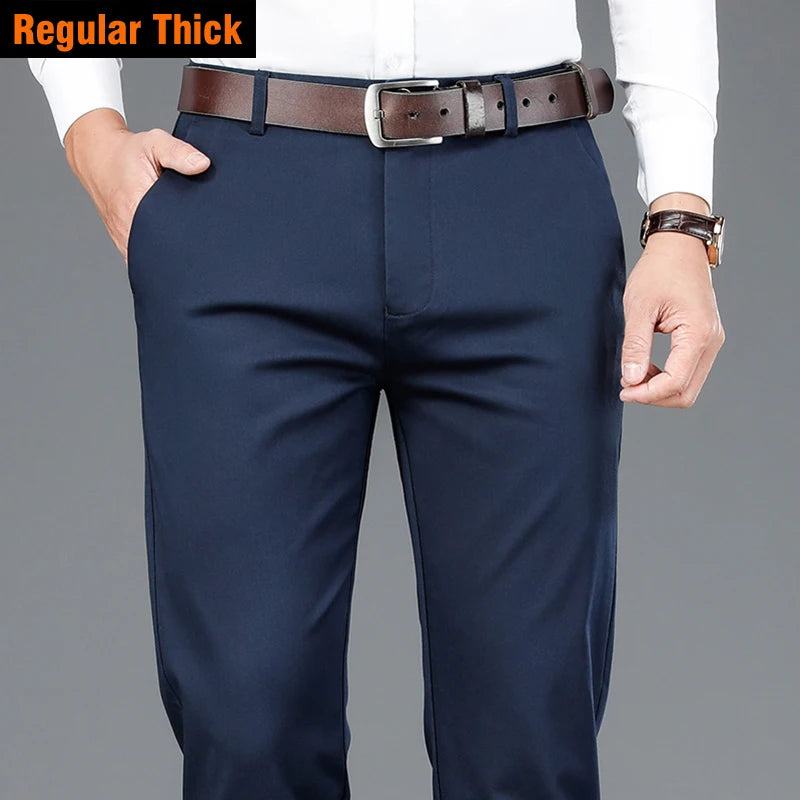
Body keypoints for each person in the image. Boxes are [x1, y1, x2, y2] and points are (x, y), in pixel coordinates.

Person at [28, 1, 725, 797]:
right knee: (249, 730)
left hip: (523, 183)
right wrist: (89, 127)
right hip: (248, 178)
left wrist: (682, 213)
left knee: (530, 733)